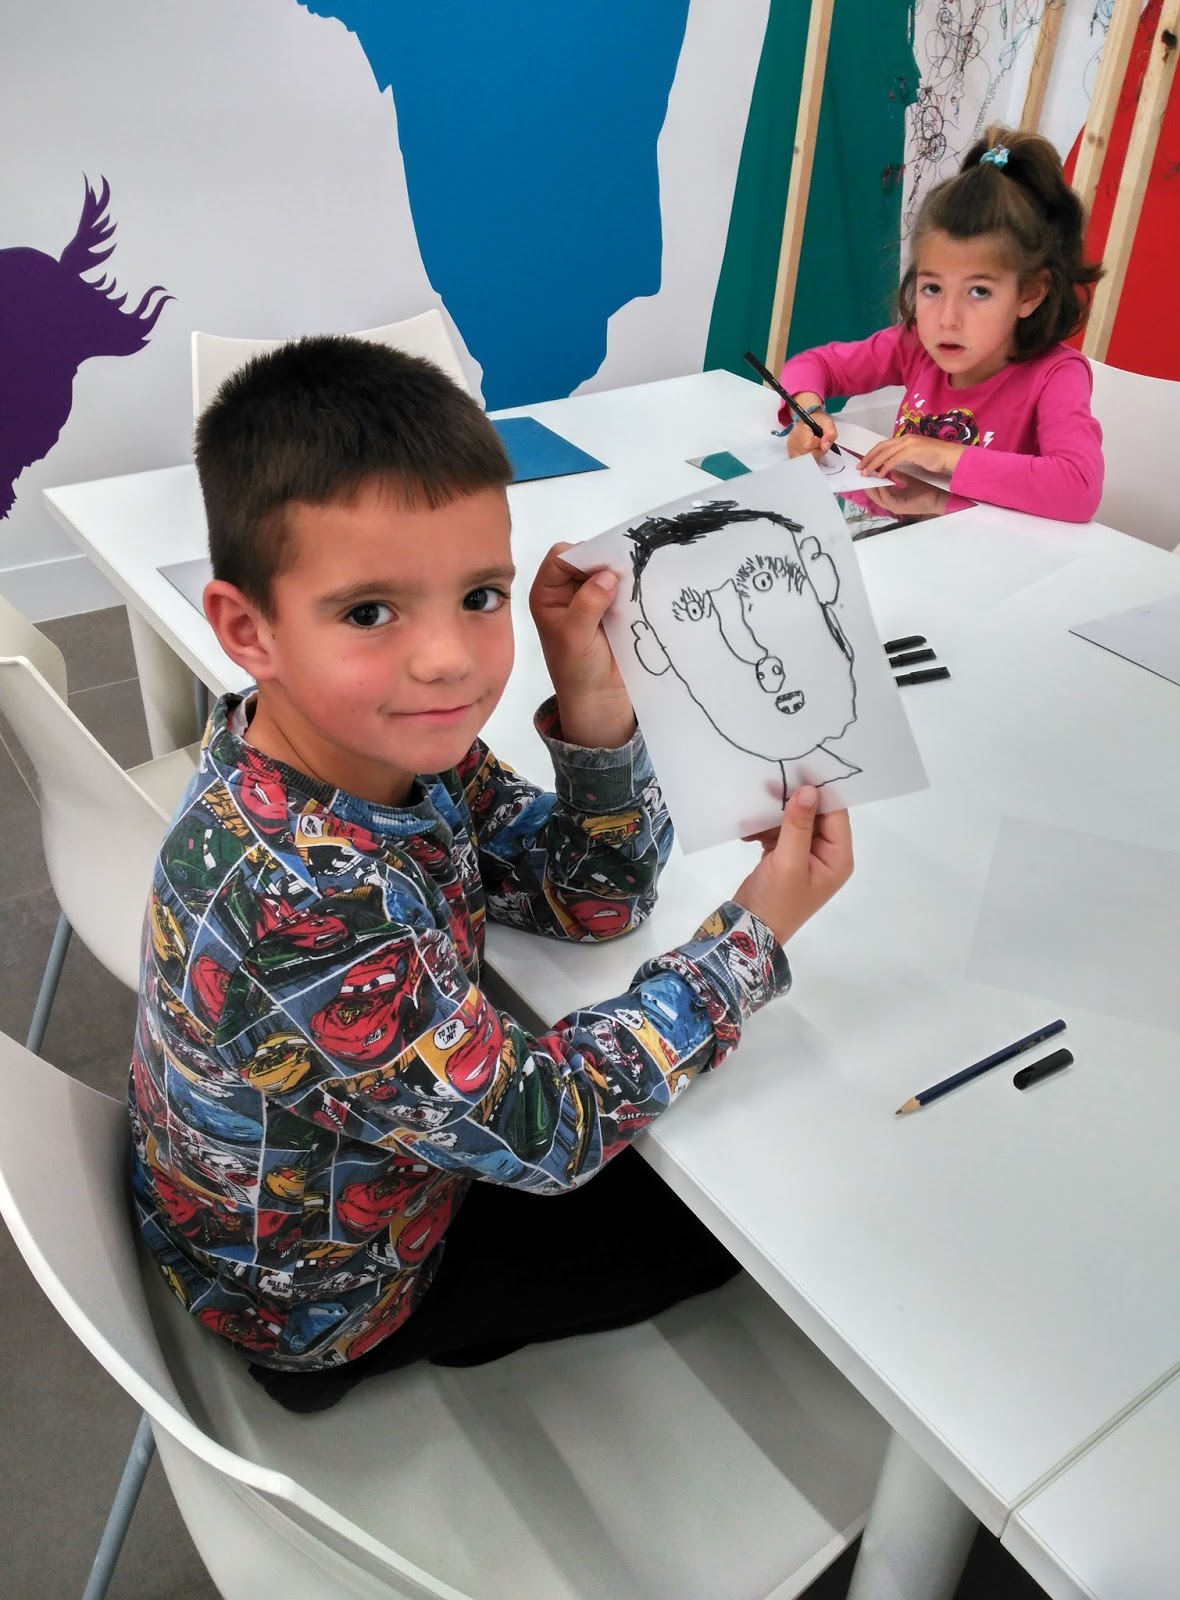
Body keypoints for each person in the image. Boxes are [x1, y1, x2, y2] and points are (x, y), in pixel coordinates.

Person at [129, 336, 853, 1412]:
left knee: (707, 1130)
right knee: (766, 1220)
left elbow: (594, 898)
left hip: (343, 1192)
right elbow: (550, 1129)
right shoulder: (304, 903)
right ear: (248, 629)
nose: (450, 659)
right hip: (331, 1300)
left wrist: (592, 692)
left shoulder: (373, 746)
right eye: (369, 612)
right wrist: (755, 932)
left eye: (479, 595)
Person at [779, 125, 1105, 523]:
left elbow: (1078, 487)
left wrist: (948, 455)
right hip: (907, 546)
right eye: (932, 288)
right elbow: (816, 365)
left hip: (992, 556)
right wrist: (809, 414)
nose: (948, 319)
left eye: (979, 292)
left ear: (1030, 294)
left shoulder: (1056, 375)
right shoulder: (915, 345)